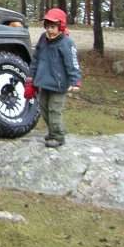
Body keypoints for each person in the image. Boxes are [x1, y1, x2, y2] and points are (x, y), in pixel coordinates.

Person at [24, 8, 82, 148]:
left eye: (53, 27)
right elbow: (36, 59)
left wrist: (75, 81)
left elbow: (72, 64)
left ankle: (58, 136)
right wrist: (31, 79)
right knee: (44, 108)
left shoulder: (66, 43)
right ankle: (52, 132)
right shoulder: (43, 39)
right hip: (43, 82)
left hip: (59, 85)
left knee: (54, 110)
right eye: (47, 26)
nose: (49, 30)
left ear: (61, 26)